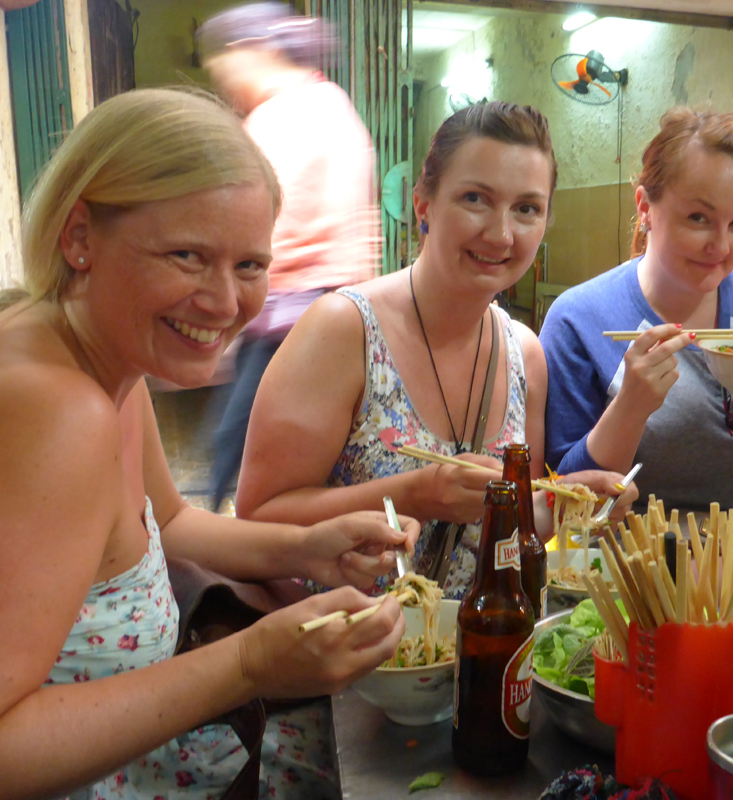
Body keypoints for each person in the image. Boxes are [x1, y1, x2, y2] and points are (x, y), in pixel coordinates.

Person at [0, 88, 419, 800]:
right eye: (187, 255)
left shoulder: (104, 358)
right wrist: (249, 664)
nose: (226, 304)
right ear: (79, 237)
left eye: (250, 266)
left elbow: (168, 522)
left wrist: (307, 549)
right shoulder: (61, 409)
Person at [236, 101, 637, 599]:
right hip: (339, 635)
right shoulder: (345, 331)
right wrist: (414, 494)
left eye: (526, 209)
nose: (501, 234)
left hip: (472, 640)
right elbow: (258, 517)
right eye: (475, 198)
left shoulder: (523, 355)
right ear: (423, 205)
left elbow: (513, 525)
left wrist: (566, 504)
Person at [540, 107, 733, 591]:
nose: (720, 246)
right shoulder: (581, 318)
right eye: (698, 218)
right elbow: (571, 495)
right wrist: (631, 405)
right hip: (638, 549)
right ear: (645, 207)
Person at [198, 3, 381, 512]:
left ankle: (223, 537)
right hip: (330, 307)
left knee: (235, 439)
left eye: (224, 69)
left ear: (249, 52)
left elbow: (258, 229)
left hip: (290, 312)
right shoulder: (331, 103)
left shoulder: (281, 116)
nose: (227, 84)